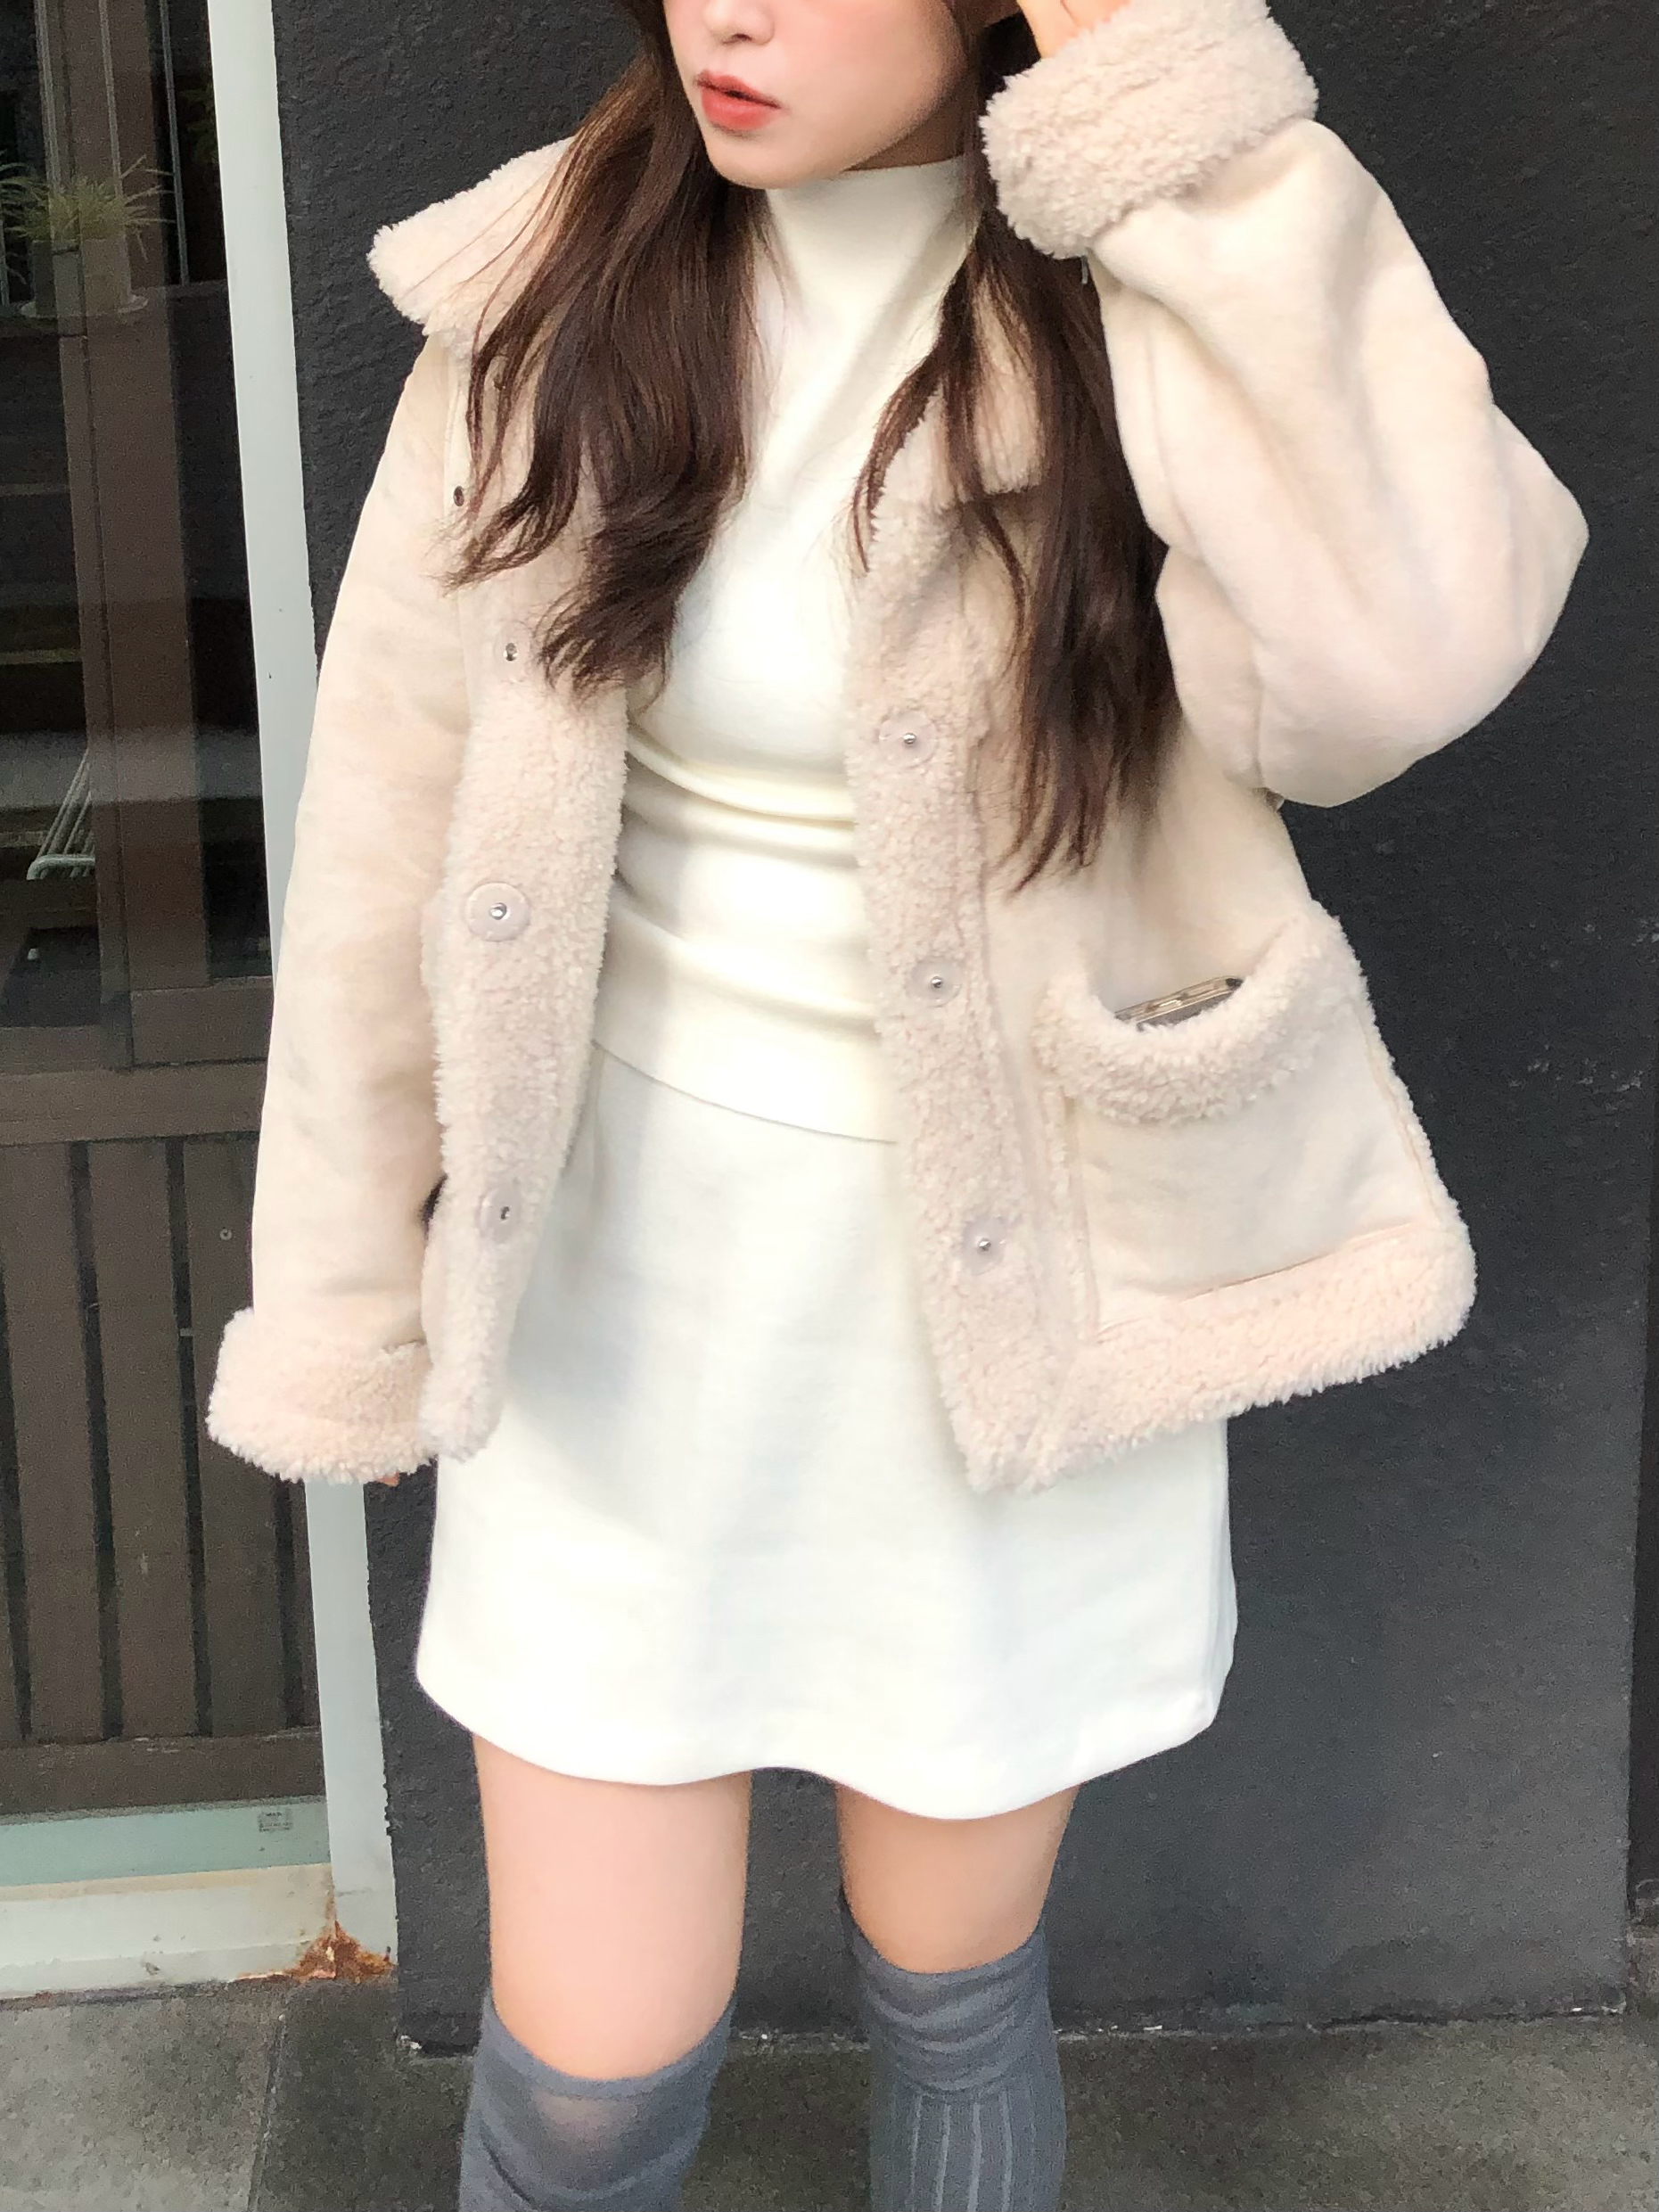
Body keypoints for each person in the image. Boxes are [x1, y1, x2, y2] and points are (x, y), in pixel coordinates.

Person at [207, 0, 1589, 2203]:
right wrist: (344, 1297)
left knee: (954, 1988)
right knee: (583, 2079)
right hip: (613, 1316)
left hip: (1003, 1311)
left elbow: (1398, 661)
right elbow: (384, 842)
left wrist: (1164, 109)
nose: (729, 16)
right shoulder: (541, 295)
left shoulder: (1150, 292)